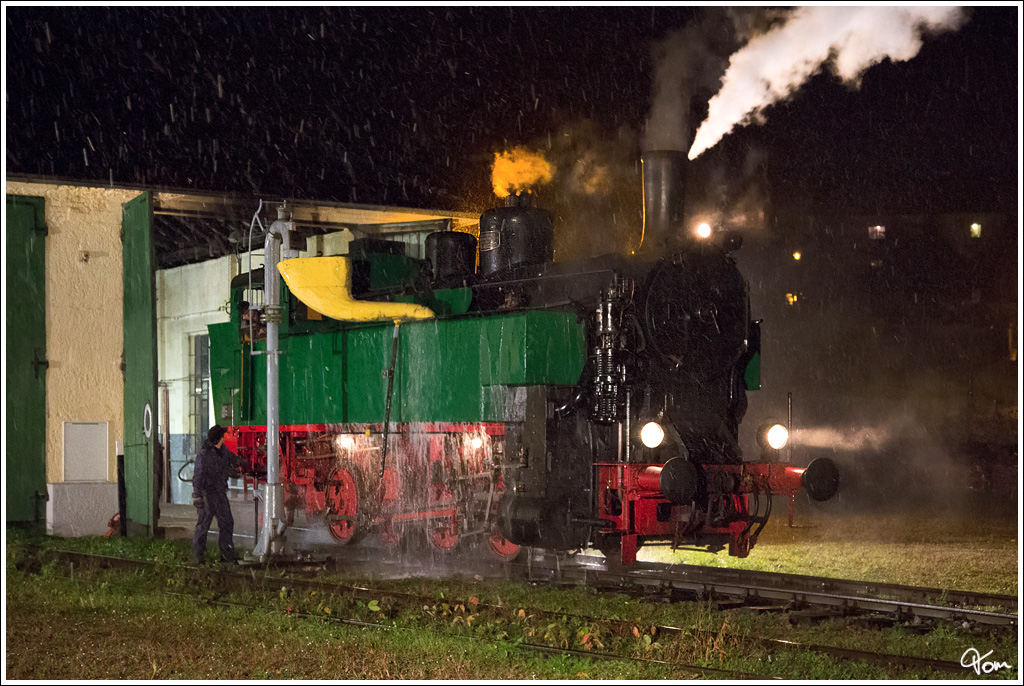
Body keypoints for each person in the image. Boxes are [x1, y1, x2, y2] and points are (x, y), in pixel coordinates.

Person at [192, 425, 241, 565]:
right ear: (220, 438)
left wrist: (240, 462)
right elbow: (198, 476)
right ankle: (198, 556)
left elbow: (232, 459)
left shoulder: (223, 451)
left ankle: (226, 555)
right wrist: (198, 496)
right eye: (223, 435)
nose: (225, 436)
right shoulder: (205, 455)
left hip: (219, 493)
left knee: (226, 522)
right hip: (207, 493)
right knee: (203, 525)